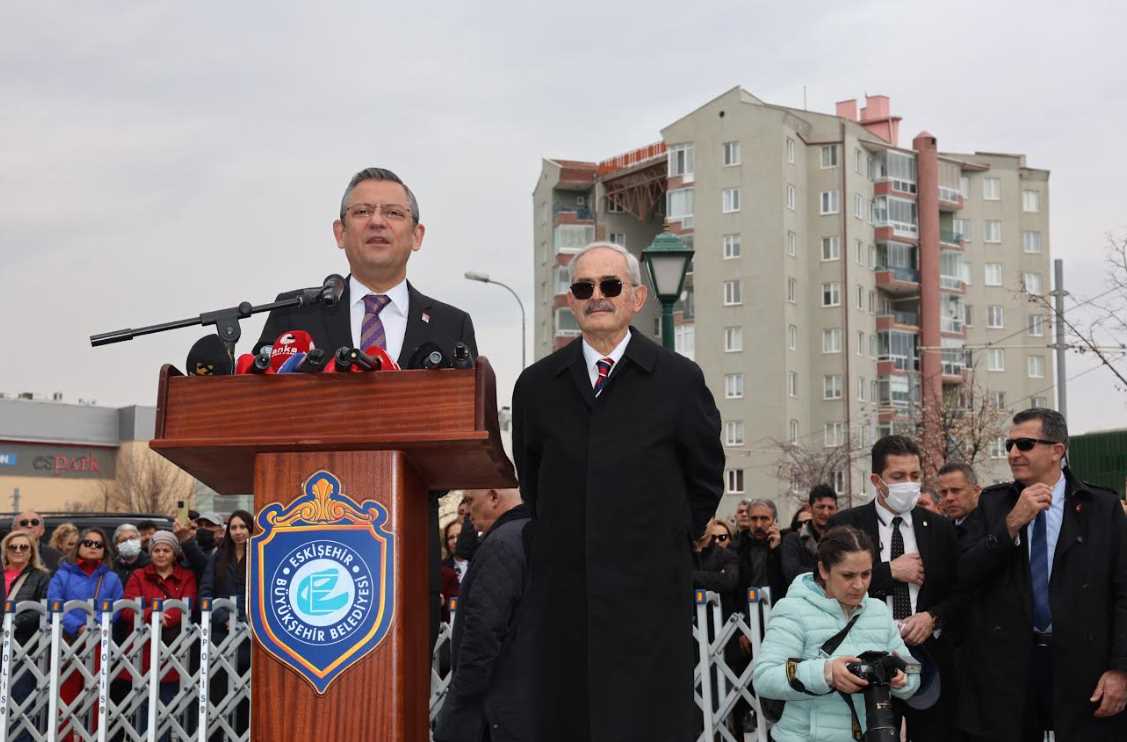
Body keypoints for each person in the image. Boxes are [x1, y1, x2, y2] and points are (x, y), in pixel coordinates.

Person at [511, 241, 725, 742]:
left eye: (610, 286)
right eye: (584, 288)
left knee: (647, 722)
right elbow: (533, 480)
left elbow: (706, 477)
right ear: (571, 302)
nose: (597, 297)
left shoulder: (678, 379)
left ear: (637, 297)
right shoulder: (537, 387)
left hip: (650, 598)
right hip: (567, 599)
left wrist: (665, 538)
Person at [255, 167, 478, 646]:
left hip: (409, 542)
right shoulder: (293, 314)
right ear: (340, 232)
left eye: (393, 213)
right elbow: (259, 412)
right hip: (304, 544)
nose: (378, 222)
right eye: (362, 212)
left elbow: (459, 434)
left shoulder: (450, 326)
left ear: (416, 235)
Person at [957, 408, 1127, 740]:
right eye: (1009, 445)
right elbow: (963, 573)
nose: (1013, 454)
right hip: (1010, 668)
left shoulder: (1101, 508)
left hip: (1083, 666)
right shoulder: (993, 505)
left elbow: (1124, 592)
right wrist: (1010, 525)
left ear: (1057, 451)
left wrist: (1121, 669)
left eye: (1024, 444)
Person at [827, 435, 960, 741]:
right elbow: (831, 585)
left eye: (915, 476)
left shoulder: (939, 528)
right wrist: (890, 572)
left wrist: (933, 617)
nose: (908, 484)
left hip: (926, 663)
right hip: (864, 661)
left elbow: (960, 593)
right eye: (898, 477)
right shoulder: (847, 525)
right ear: (877, 480)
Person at [752, 526, 919, 741]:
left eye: (866, 574)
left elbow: (911, 669)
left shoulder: (878, 610)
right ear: (823, 570)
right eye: (848, 575)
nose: (859, 585)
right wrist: (827, 673)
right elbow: (765, 678)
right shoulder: (792, 609)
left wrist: (901, 679)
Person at [435, 489, 532, 742]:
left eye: (469, 500)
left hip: (494, 709)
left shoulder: (502, 543)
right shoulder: (527, 533)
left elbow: (483, 633)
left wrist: (457, 708)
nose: (464, 510)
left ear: (493, 497)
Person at [47, 527, 123, 740]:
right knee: (66, 696)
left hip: (98, 642)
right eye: (87, 543)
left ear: (104, 550)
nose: (92, 547)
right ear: (79, 546)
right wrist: (77, 626)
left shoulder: (112, 579)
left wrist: (94, 626)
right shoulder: (63, 574)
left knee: (96, 695)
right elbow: (54, 603)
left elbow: (116, 606)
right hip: (67, 641)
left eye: (98, 544)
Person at [122, 531, 198, 741]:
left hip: (173, 651)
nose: (161, 554)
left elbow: (187, 604)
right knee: (143, 710)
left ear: (174, 554)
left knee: (167, 707)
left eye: (166, 550)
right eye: (156, 550)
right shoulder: (138, 575)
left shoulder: (187, 576)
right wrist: (150, 615)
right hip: (143, 651)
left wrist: (167, 617)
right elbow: (128, 607)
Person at [200, 511, 253, 740]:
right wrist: (225, 618)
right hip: (222, 637)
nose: (239, 532)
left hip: (251, 639)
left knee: (245, 700)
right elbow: (205, 594)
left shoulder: (261, 556)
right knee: (219, 697)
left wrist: (245, 619)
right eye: (234, 527)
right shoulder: (217, 557)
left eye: (243, 527)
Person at [2, 530, 50, 742]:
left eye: (24, 547)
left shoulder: (40, 577)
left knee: (20, 704)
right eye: (13, 547)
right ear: (6, 550)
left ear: (32, 551)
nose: (18, 551)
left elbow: (42, 608)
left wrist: (12, 622)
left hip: (23, 649)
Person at [781, 485, 839, 590]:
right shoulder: (792, 540)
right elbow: (793, 574)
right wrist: (833, 574)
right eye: (820, 507)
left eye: (830, 508)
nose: (825, 512)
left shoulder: (843, 541)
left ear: (836, 510)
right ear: (810, 508)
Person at [735, 499, 787, 601]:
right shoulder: (738, 546)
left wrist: (776, 550)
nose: (758, 525)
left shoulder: (786, 544)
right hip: (747, 608)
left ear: (774, 521)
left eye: (764, 519)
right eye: (754, 519)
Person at [935, 462, 981, 543]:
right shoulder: (942, 530)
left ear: (976, 491)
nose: (949, 498)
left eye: (956, 490)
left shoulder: (990, 529)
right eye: (943, 492)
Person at [112, 523, 150, 587]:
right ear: (116, 546)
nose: (129, 542)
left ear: (139, 540)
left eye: (132, 538)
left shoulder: (150, 564)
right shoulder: (112, 567)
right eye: (123, 540)